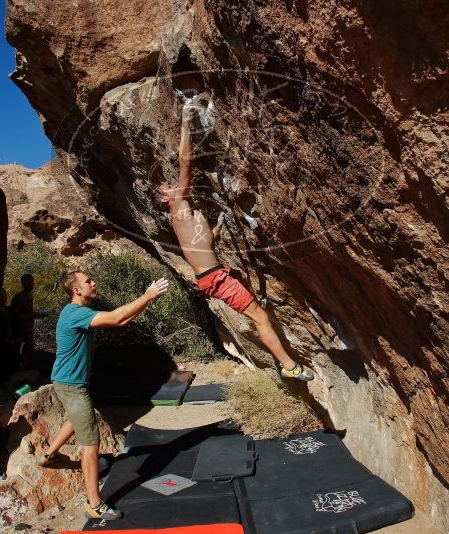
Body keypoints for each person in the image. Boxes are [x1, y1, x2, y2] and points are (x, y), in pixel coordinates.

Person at [156, 103, 313, 381]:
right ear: (165, 200)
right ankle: (290, 367)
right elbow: (186, 163)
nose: (173, 185)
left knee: (257, 310)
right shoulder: (178, 206)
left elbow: (202, 244)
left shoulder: (183, 217)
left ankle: (285, 362)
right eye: (168, 187)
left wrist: (218, 227)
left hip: (213, 275)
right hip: (215, 278)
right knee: (260, 317)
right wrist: (185, 123)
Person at [38, 270, 169, 521]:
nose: (93, 282)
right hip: (72, 386)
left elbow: (120, 322)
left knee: (78, 418)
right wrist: (148, 295)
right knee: (91, 443)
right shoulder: (75, 314)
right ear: (77, 290)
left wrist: (147, 300)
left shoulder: (77, 312)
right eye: (88, 281)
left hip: (68, 382)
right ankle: (94, 504)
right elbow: (117, 316)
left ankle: (48, 455)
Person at [10, 273, 47, 365]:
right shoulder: (18, 298)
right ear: (23, 283)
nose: (31, 284)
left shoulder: (29, 296)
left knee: (28, 352)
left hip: (28, 331)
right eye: (28, 282)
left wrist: (37, 315)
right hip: (21, 332)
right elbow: (15, 316)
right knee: (21, 353)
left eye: (32, 282)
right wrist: (31, 315)